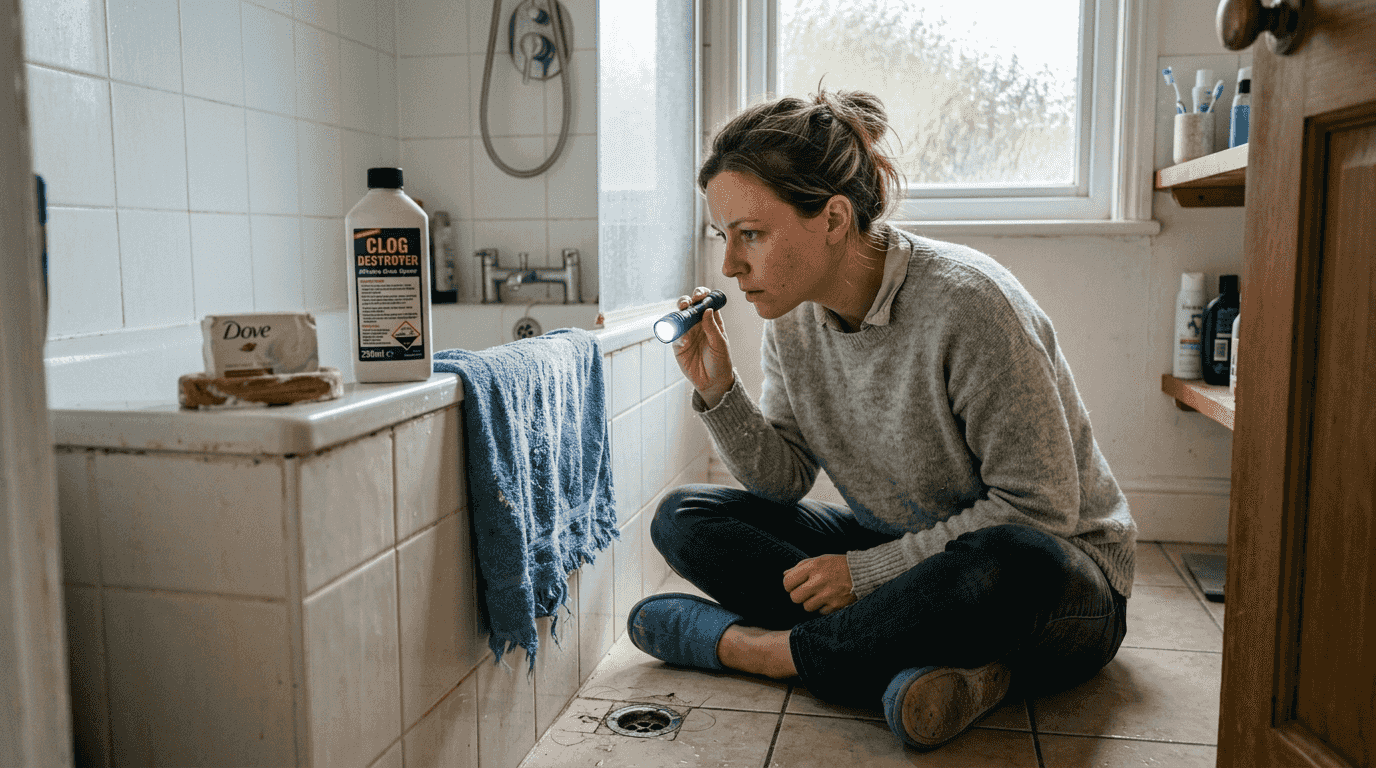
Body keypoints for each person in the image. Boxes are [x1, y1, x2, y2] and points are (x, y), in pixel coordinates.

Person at [626, 89, 1137, 751]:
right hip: (897, 547)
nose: (729, 264)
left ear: (834, 219)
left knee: (1011, 561)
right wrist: (720, 390)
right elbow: (783, 483)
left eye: (751, 234)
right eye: (723, 236)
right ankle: (931, 662)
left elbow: (1040, 513)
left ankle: (765, 652)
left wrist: (862, 577)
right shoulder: (795, 316)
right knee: (686, 519)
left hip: (1060, 582)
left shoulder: (970, 304)